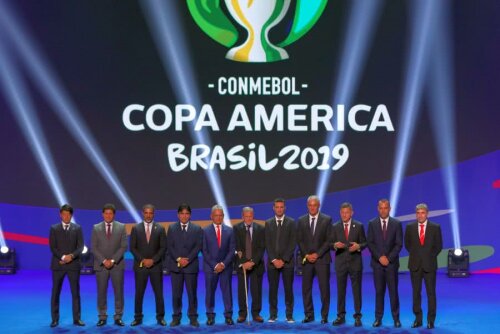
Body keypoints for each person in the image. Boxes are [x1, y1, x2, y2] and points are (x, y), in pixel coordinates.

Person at [404, 203, 443, 329]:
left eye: (423, 213)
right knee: (416, 293)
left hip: (429, 265)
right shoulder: (410, 227)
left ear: (427, 214)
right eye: (418, 213)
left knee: (431, 293)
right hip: (415, 265)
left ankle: (431, 320)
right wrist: (417, 256)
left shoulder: (435, 227)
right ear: (416, 214)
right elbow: (408, 245)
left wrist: (428, 257)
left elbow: (438, 246)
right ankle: (418, 319)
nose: (420, 215)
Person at [296, 195, 332, 324]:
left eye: (314, 205)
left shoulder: (327, 219)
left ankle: (324, 316)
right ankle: (309, 315)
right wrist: (307, 255)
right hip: (307, 261)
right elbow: (299, 240)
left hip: (322, 260)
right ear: (307, 206)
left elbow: (329, 240)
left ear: (319, 206)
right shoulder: (301, 220)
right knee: (306, 289)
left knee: (324, 289)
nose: (312, 207)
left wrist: (317, 254)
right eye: (310, 205)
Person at [367, 199, 403, 328]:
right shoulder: (372, 223)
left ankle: (396, 318)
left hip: (391, 264)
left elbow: (399, 244)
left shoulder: (396, 224)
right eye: (381, 208)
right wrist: (379, 257)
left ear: (389, 208)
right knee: (379, 292)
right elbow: (370, 243)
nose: (383, 210)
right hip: (377, 264)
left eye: (385, 208)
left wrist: (388, 258)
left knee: (393, 292)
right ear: (378, 208)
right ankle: (378, 318)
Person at [166, 204, 203, 327]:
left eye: (187, 213)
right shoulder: (171, 228)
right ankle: (176, 317)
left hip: (191, 266)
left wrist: (188, 259)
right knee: (176, 294)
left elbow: (198, 246)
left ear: (190, 215)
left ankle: (193, 317)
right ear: (178, 215)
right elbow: (170, 246)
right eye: (182, 213)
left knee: (192, 294)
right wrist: (178, 259)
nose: (184, 216)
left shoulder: (197, 228)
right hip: (176, 267)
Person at [129, 204, 167, 326]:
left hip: (156, 266)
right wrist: (144, 260)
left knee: (158, 293)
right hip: (141, 267)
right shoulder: (136, 228)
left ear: (154, 214)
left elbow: (163, 248)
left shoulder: (160, 228)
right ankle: (138, 317)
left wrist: (153, 260)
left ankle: (160, 317)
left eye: (151, 213)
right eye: (146, 213)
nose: (148, 215)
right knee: (139, 293)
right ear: (143, 213)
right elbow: (133, 248)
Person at [91, 203, 127, 326]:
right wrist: (104, 261)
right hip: (101, 266)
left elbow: (123, 247)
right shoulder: (96, 228)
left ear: (114, 215)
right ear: (102, 214)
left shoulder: (121, 227)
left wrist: (112, 261)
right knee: (101, 292)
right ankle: (102, 316)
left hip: (117, 265)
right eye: (106, 213)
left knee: (119, 292)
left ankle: (118, 316)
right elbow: (94, 247)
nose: (108, 215)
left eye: (110, 213)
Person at [49, 204, 85, 327]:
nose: (66, 216)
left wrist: (71, 256)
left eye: (68, 214)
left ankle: (77, 319)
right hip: (58, 265)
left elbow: (80, 247)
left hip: (73, 266)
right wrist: (64, 257)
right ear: (60, 215)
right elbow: (53, 247)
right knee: (56, 293)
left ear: (71, 215)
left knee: (75, 293)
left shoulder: (77, 228)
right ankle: (54, 319)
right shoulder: (54, 228)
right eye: (64, 214)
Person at [332, 202, 367, 327]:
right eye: (342, 213)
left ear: (352, 213)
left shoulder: (358, 226)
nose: (344, 215)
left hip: (355, 263)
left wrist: (358, 247)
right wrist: (334, 246)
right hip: (341, 263)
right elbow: (331, 244)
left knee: (356, 291)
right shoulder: (335, 226)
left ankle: (357, 316)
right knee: (341, 291)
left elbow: (364, 243)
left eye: (346, 212)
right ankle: (341, 316)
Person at [202, 205, 235, 325]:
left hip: (225, 267)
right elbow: (204, 251)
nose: (219, 217)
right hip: (211, 268)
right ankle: (210, 316)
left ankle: (228, 315)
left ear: (223, 216)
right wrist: (215, 265)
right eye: (216, 215)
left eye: (221, 215)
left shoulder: (230, 231)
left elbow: (232, 250)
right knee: (210, 292)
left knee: (227, 292)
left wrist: (223, 264)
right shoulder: (205, 231)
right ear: (211, 216)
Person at [265, 198, 296, 323]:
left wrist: (283, 260)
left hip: (287, 263)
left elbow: (292, 243)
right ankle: (273, 315)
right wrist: (274, 259)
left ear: (285, 208)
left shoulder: (291, 222)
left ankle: (289, 315)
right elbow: (267, 243)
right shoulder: (268, 223)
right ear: (273, 208)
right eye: (277, 207)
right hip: (272, 263)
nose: (279, 209)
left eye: (281, 207)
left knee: (288, 289)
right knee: (273, 290)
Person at [234, 207, 265, 323]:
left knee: (256, 291)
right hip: (242, 265)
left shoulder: (260, 229)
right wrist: (243, 263)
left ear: (253, 216)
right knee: (242, 290)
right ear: (242, 217)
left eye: (250, 216)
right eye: (246, 216)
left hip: (256, 265)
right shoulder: (236, 228)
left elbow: (262, 247)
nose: (248, 218)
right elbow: (237, 247)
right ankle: (242, 314)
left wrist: (252, 262)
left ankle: (256, 313)